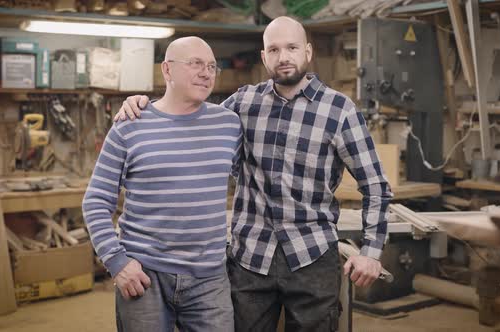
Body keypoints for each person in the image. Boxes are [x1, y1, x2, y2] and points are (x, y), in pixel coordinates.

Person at [115, 16, 393, 332]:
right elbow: (188, 112)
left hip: (312, 258)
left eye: (292, 47)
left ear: (308, 52)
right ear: (263, 57)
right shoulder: (243, 103)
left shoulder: (339, 110)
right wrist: (142, 106)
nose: (283, 57)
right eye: (273, 49)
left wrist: (370, 252)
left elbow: (375, 185)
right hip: (250, 260)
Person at [82, 36, 241, 332]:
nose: (206, 72)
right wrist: (117, 262)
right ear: (167, 70)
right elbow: (95, 201)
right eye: (195, 64)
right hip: (144, 276)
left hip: (210, 279)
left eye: (212, 66)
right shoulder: (130, 125)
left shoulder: (229, 124)